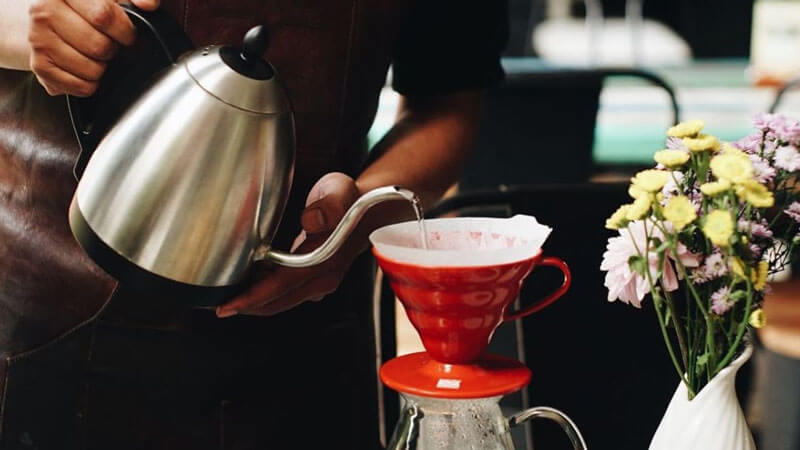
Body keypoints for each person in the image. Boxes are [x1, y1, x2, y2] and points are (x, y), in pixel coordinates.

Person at [0, 0, 508, 448]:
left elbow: (448, 104)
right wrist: (25, 22)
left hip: (303, 345)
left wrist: (360, 213)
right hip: (49, 315)